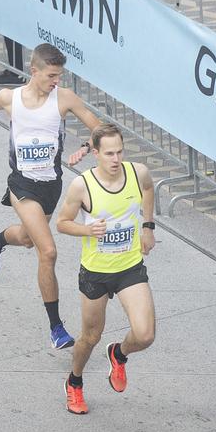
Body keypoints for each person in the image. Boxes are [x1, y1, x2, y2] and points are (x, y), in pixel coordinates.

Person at [0, 43, 101, 348]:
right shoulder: (11, 98)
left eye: (59, 76)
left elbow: (100, 129)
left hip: (51, 186)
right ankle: (56, 327)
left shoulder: (64, 99)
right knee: (47, 251)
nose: (56, 82)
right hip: (22, 185)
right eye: (51, 75)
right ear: (34, 71)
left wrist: (86, 149)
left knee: (25, 238)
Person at [55, 123, 156, 415]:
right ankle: (74, 382)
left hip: (129, 267)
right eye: (109, 153)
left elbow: (148, 189)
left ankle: (119, 354)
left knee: (146, 335)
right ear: (96, 153)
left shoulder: (137, 173)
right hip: (96, 272)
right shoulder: (82, 186)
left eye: (119, 152)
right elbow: (62, 223)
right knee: (90, 337)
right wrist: (88, 231)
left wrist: (147, 227)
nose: (116, 159)